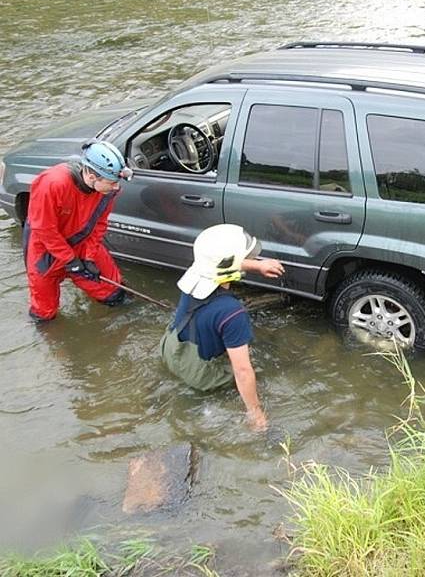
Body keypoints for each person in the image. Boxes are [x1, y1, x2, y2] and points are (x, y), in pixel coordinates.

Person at [160, 224, 285, 431]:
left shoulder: (195, 274)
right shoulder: (232, 313)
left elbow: (221, 263)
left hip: (170, 352)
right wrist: (256, 413)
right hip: (199, 376)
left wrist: (258, 266)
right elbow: (243, 371)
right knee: (257, 365)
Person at [24, 139, 132, 322]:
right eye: (111, 183)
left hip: (84, 241)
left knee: (114, 293)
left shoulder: (108, 191)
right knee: (44, 311)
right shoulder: (52, 184)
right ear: (91, 177)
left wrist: (88, 257)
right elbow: (44, 229)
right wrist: (70, 260)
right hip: (46, 249)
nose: (116, 187)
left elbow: (99, 225)